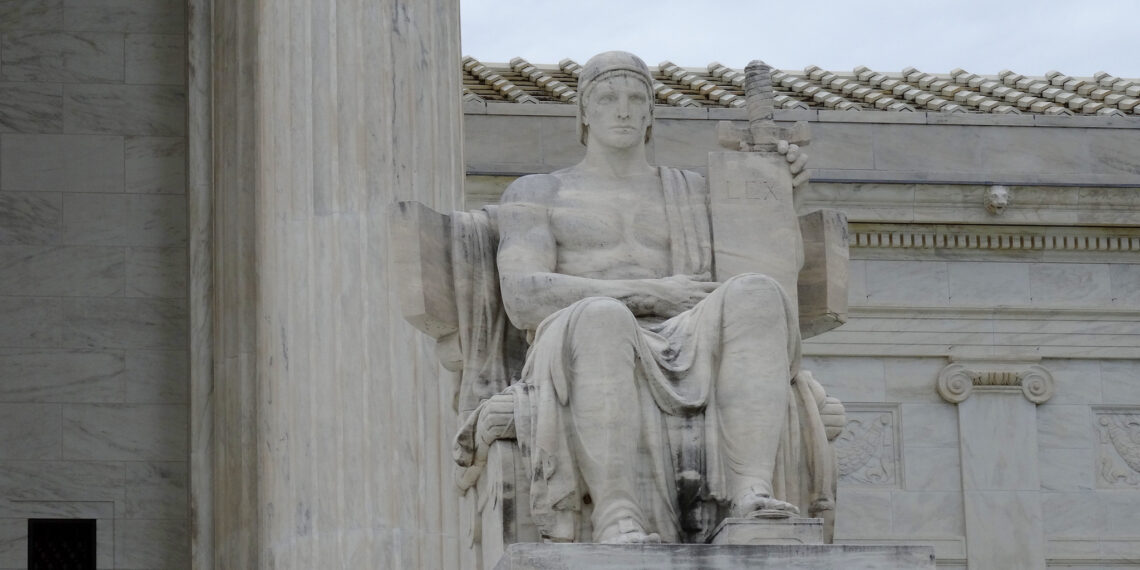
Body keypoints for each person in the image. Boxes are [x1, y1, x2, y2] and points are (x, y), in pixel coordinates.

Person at [492, 51, 809, 544]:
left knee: (757, 295)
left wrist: (777, 193)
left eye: (635, 98)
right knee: (604, 317)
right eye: (607, 98)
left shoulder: (696, 192)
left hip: (687, 330)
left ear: (650, 114)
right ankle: (617, 513)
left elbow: (769, 265)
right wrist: (648, 293)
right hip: (582, 334)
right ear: (583, 111)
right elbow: (523, 295)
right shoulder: (539, 192)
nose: (622, 109)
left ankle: (752, 494)